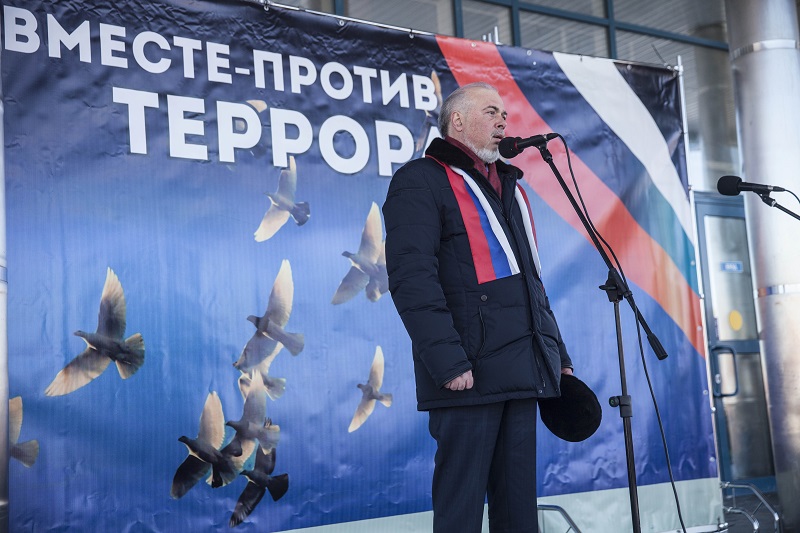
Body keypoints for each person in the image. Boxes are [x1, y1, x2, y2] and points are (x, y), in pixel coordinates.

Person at [382, 82, 574, 533]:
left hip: (521, 369)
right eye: (491, 112)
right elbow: (412, 279)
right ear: (458, 121)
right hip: (467, 374)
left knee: (518, 513)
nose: (503, 121)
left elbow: (531, 283)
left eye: (504, 114)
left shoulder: (509, 185)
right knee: (461, 511)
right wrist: (448, 362)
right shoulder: (420, 179)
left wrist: (555, 355)